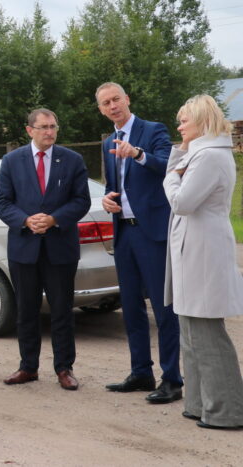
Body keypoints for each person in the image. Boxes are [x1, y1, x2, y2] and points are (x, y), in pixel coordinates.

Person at [96, 82, 183, 403]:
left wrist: (137, 153)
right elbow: (114, 184)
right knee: (131, 306)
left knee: (163, 307)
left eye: (116, 99)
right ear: (101, 110)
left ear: (127, 99)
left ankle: (172, 379)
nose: (113, 106)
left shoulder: (152, 130)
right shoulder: (108, 142)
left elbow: (167, 165)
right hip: (124, 232)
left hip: (152, 232)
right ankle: (141, 372)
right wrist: (107, 200)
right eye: (106, 103)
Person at [0, 108, 90, 390]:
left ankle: (64, 368)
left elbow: (81, 200)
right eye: (44, 127)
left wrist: (54, 219)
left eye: (53, 127)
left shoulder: (72, 160)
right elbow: (2, 202)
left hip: (60, 248)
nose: (50, 132)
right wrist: (25, 220)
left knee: (61, 310)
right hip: (24, 248)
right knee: (26, 310)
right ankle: (28, 367)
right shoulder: (12, 161)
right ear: (29, 130)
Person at [163, 94, 243, 430]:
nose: (180, 127)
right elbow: (181, 176)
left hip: (204, 252)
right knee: (191, 331)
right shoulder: (200, 152)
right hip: (193, 251)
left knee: (207, 333)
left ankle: (226, 411)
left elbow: (182, 201)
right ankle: (198, 404)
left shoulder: (210, 156)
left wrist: (170, 177)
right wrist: (179, 156)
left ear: (201, 120)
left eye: (184, 121)